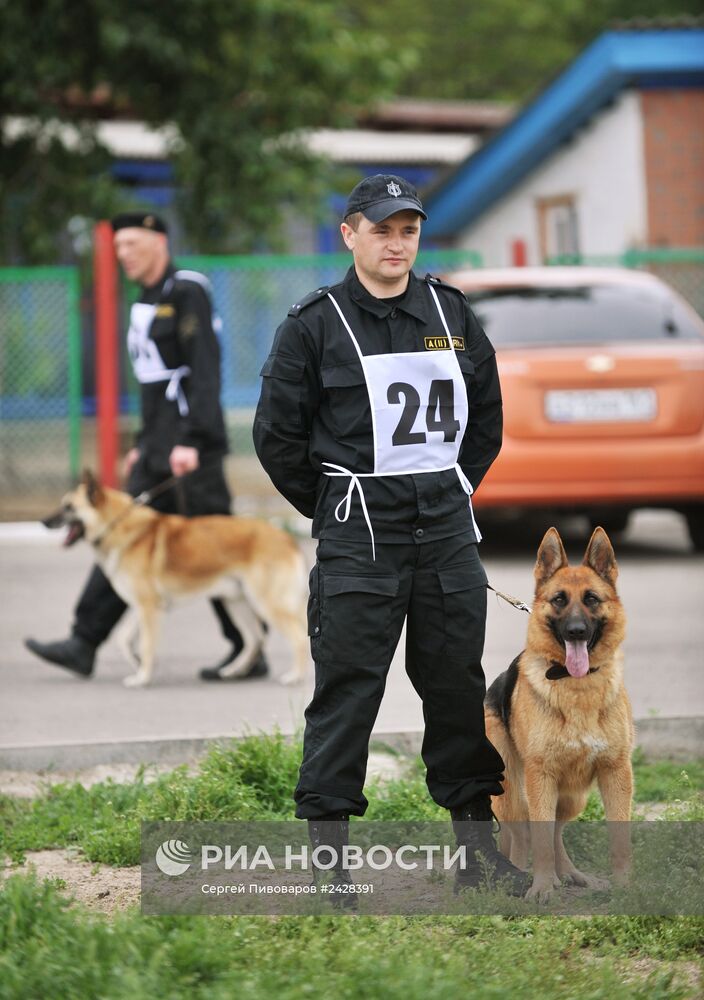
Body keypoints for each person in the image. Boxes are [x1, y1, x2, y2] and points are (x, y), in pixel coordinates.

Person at [253, 174, 530, 896]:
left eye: (407, 229)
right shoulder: (313, 324)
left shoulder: (450, 311)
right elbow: (276, 437)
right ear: (350, 235)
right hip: (358, 535)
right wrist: (336, 505)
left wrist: (455, 488)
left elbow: (486, 416)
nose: (396, 242)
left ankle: (475, 851)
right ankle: (329, 863)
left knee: (454, 684)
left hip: (444, 533)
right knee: (348, 692)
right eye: (381, 229)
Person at [26, 211, 267, 683]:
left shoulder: (185, 291)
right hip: (158, 442)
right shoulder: (146, 299)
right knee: (118, 532)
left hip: (190, 444)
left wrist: (193, 441)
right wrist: (143, 444)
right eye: (118, 248)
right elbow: (155, 384)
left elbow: (203, 370)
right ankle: (83, 640)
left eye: (132, 245)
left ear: (159, 242)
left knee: (212, 544)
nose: (123, 256)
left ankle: (248, 646)